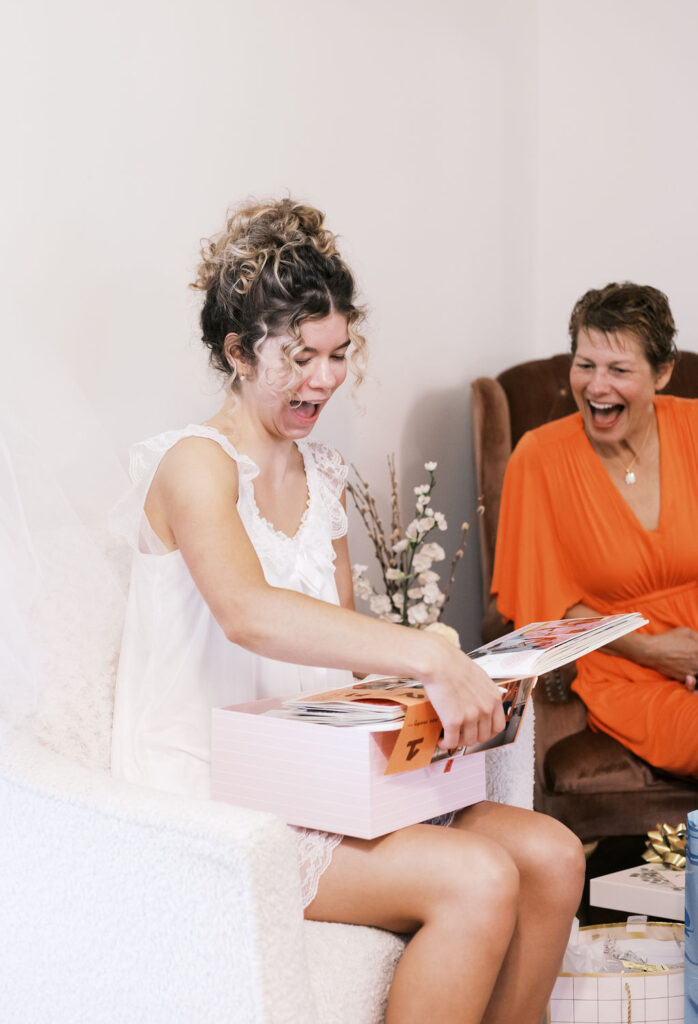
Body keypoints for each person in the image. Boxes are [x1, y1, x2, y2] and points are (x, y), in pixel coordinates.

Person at [110, 197, 584, 1024]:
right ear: (238, 352)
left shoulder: (322, 474)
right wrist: (428, 653)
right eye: (300, 357)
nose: (325, 379)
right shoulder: (193, 464)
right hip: (218, 796)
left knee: (552, 853)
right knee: (476, 877)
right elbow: (248, 612)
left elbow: (342, 664)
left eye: (338, 354)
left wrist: (462, 694)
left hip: (316, 774)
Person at [492, 281, 698, 779]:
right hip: (624, 671)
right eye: (585, 365)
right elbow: (544, 606)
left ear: (662, 373)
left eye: (619, 370)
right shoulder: (539, 458)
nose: (597, 386)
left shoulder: (694, 429)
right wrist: (652, 651)